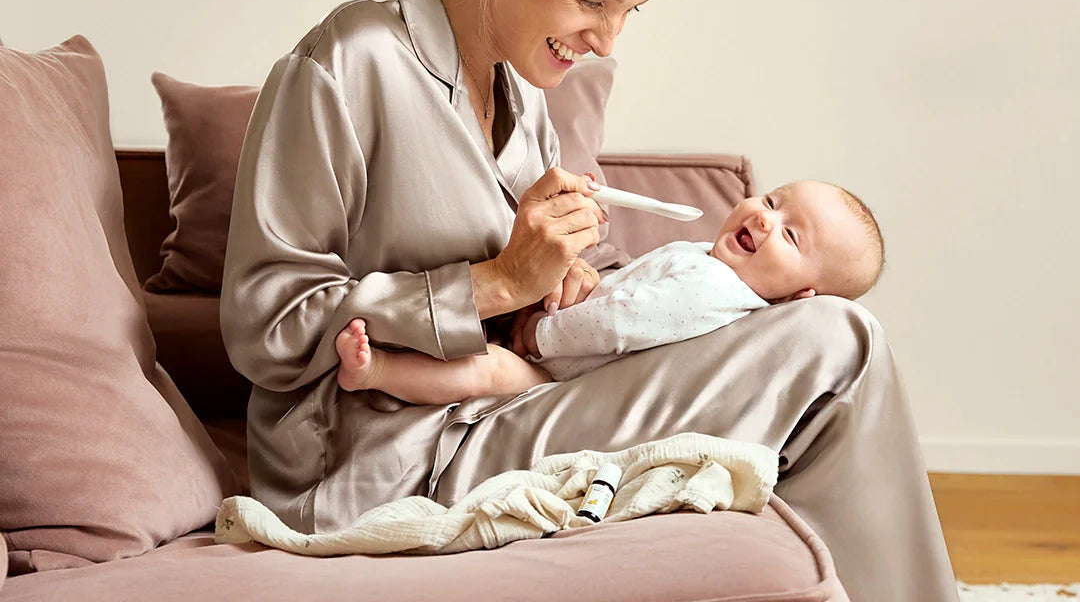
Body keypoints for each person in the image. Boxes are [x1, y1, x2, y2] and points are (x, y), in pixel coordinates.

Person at [219, 0, 975, 602]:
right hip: (387, 455)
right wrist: (496, 281)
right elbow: (265, 327)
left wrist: (569, 279)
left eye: (631, 12)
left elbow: (537, 307)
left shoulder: (522, 91)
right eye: (592, 1)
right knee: (838, 344)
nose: (609, 42)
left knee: (814, 327)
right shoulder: (346, 65)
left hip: (512, 396)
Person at [335, 179, 885, 397]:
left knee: (488, 370)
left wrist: (539, 337)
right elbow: (623, 294)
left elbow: (621, 323)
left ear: (798, 298)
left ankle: (379, 373)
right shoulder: (708, 259)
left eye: (789, 235)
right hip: (568, 344)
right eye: (770, 201)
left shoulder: (718, 292)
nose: (765, 219)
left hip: (566, 372)